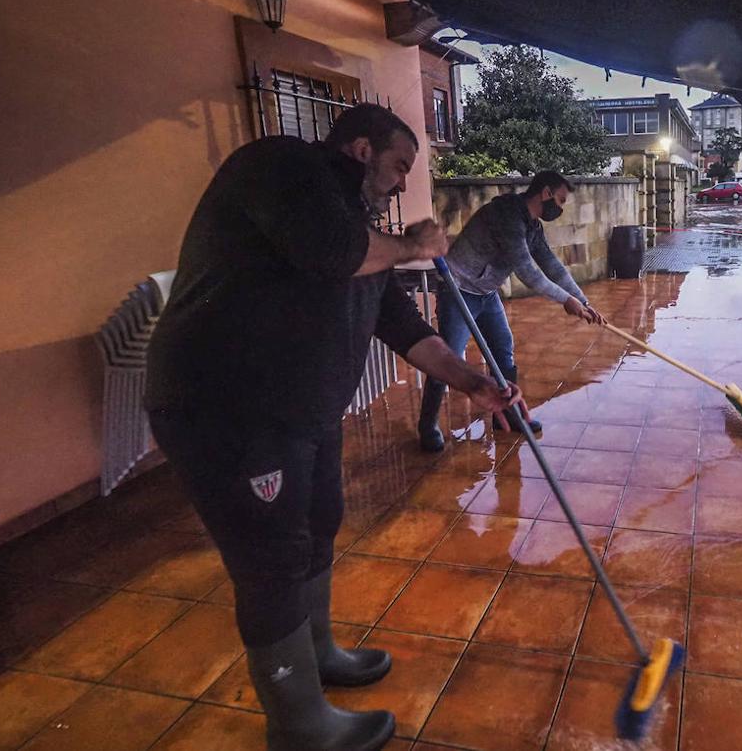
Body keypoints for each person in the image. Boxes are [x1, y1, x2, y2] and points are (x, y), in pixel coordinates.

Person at [144, 104, 522, 751]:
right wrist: (414, 247)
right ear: (359, 148)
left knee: (319, 524)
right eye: (400, 164)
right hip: (229, 411)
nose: (405, 181)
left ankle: (318, 654)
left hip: (302, 413)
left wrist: (470, 382)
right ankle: (298, 723)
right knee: (271, 562)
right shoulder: (279, 168)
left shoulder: (358, 230)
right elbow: (330, 253)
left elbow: (401, 325)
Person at [417, 170, 605, 452]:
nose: (561, 208)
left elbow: (551, 266)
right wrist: (567, 301)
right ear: (546, 193)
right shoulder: (507, 215)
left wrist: (583, 300)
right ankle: (427, 424)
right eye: (561, 200)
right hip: (458, 289)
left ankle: (507, 415)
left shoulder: (532, 227)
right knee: (449, 357)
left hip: (486, 291)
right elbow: (528, 272)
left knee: (503, 350)